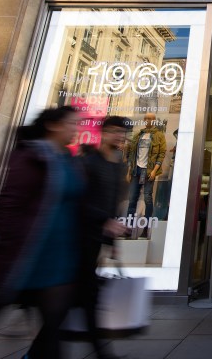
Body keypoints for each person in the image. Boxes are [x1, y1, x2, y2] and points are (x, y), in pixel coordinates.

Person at [0, 106, 84, 359]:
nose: (76, 128)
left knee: (53, 326)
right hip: (25, 252)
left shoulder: (70, 159)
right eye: (72, 123)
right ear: (53, 125)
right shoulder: (31, 156)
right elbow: (7, 205)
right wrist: (0, 246)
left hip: (60, 253)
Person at [77, 117, 130, 359]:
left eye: (123, 132)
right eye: (115, 131)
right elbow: (80, 201)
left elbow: (112, 205)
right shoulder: (88, 162)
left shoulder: (117, 165)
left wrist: (112, 242)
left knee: (79, 298)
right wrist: (104, 221)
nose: (120, 136)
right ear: (103, 132)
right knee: (83, 297)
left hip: (98, 237)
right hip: (82, 237)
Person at [125, 113, 166, 230]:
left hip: (148, 170)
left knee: (147, 197)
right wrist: (128, 171)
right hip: (136, 169)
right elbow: (132, 154)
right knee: (132, 198)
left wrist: (154, 171)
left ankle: (146, 228)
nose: (148, 120)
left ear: (154, 121)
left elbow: (161, 154)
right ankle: (128, 228)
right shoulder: (138, 135)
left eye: (150, 119)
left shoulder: (159, 135)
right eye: (146, 118)